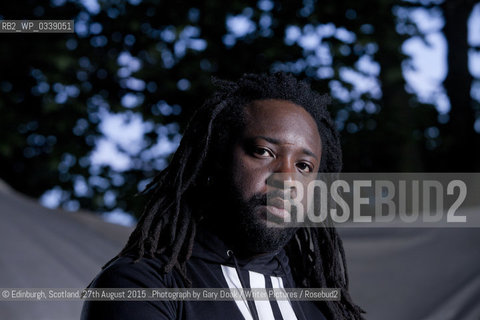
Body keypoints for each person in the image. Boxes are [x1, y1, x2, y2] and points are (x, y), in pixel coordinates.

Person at [81, 72, 364, 320]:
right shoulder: (140, 286)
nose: (287, 179)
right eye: (264, 152)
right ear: (216, 158)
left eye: (304, 166)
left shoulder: (327, 306)